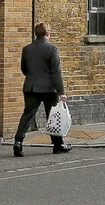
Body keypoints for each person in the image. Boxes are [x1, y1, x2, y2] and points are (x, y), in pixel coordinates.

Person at [14, 22, 70, 156]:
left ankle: (18, 142)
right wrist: (61, 92)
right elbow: (56, 72)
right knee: (53, 116)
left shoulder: (26, 49)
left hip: (31, 87)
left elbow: (24, 69)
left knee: (27, 115)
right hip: (49, 89)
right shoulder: (52, 49)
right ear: (47, 34)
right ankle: (58, 144)